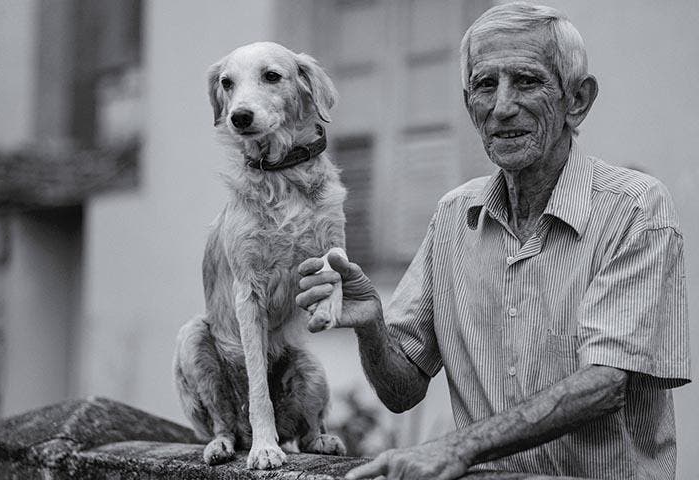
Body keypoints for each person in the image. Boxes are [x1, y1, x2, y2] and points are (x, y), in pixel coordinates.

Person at [296, 2, 691, 479]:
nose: (502, 107)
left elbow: (606, 384)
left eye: (527, 81)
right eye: (485, 85)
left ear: (578, 99)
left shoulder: (634, 208)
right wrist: (372, 325)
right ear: (469, 105)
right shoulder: (453, 216)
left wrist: (459, 447)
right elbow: (402, 392)